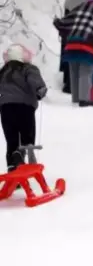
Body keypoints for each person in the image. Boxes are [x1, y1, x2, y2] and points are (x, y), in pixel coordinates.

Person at [53, 0, 93, 106]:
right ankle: (84, 99)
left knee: (74, 72)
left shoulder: (79, 8)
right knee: (85, 72)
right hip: (88, 47)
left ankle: (75, 98)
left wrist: (58, 22)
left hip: (72, 45)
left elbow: (67, 21)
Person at [0, 44, 47, 173]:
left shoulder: (3, 72)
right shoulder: (28, 69)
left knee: (11, 139)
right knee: (27, 132)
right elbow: (34, 79)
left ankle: (13, 165)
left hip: (6, 108)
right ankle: (27, 149)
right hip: (25, 107)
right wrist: (40, 89)